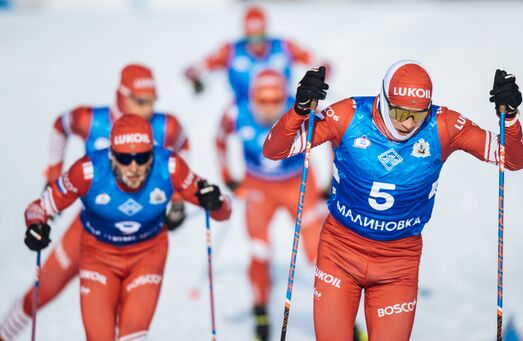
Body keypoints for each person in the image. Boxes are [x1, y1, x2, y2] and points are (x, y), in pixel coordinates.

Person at [262, 61, 523, 340]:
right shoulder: (349, 116)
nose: (408, 123)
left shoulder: (444, 125)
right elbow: (275, 150)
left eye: (418, 115)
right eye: (399, 112)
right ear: (383, 99)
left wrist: (509, 116)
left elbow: (511, 160)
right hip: (340, 252)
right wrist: (300, 110)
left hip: (398, 263)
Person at [0, 64, 190, 340]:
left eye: (152, 101)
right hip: (89, 232)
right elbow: (60, 125)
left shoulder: (164, 125)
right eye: (140, 101)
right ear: (120, 95)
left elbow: (184, 144)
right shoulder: (92, 120)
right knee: (42, 293)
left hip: (140, 241)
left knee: (122, 323)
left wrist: (177, 200)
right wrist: (54, 174)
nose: (148, 109)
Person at [21, 114, 231, 341]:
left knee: (133, 336)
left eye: (141, 158)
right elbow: (39, 207)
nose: (133, 168)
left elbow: (224, 210)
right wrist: (35, 227)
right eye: (125, 158)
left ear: (152, 154)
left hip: (147, 257)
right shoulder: (88, 171)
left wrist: (217, 202)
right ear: (112, 155)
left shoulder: (169, 167)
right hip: (99, 258)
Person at [215, 69, 325, 341]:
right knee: (259, 248)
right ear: (252, 98)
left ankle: (337, 313)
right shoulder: (235, 113)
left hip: (296, 183)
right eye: (262, 102)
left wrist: (331, 181)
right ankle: (261, 306)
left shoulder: (298, 107)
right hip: (258, 187)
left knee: (319, 250)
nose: (269, 108)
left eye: (276, 101)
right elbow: (219, 140)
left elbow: (333, 133)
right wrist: (228, 176)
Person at [184, 5, 330, 104]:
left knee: (321, 119)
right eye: (251, 37)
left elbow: (317, 62)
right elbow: (199, 67)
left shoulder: (283, 46)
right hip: (245, 108)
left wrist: (321, 74)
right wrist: (194, 77)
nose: (256, 42)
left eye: (260, 36)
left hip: (281, 103)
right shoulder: (231, 50)